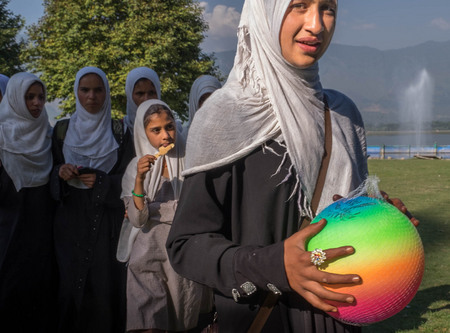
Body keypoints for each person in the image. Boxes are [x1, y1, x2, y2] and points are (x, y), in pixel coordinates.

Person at [166, 1, 416, 332]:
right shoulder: (222, 120)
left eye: (327, 7)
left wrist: (379, 215)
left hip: (341, 320)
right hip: (265, 319)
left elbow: (343, 208)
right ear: (265, 11)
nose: (316, 24)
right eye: (298, 6)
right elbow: (186, 245)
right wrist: (274, 266)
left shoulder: (343, 115)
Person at [51, 66, 134, 332]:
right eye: (84, 90)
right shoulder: (61, 131)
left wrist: (102, 182)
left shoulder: (119, 132)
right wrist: (60, 172)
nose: (91, 96)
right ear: (76, 92)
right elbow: (49, 174)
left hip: (106, 223)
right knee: (69, 287)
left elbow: (130, 177)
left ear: (107, 93)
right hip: (69, 223)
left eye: (98, 90)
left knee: (104, 288)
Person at [119, 99, 213, 332]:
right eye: (156, 130)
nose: (165, 136)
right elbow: (139, 220)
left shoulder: (192, 160)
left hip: (184, 253)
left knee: (184, 318)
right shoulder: (135, 167)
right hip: (148, 254)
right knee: (148, 320)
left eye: (169, 127)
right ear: (143, 133)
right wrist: (140, 179)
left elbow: (201, 208)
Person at [0, 72, 57, 332]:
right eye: (29, 97)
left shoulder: (49, 136)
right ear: (14, 99)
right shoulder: (2, 137)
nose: (36, 103)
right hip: (7, 241)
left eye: (40, 97)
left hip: (42, 244)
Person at [124, 67, 161, 137]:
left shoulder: (171, 130)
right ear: (130, 96)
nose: (146, 99)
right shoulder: (119, 132)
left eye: (151, 93)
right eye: (140, 94)